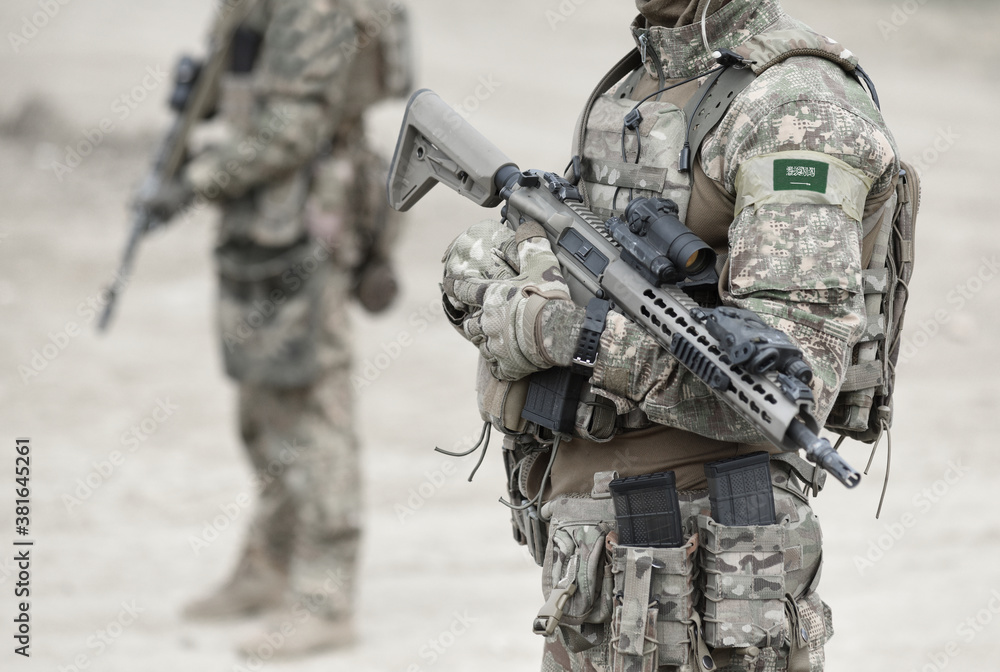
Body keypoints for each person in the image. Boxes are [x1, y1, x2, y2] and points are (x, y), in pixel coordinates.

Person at [440, 0, 900, 669]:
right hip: (593, 568)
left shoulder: (799, 107)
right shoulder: (642, 80)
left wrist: (567, 332)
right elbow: (560, 250)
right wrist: (499, 269)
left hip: (709, 578)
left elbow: (790, 383)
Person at [140, 0, 412, 657]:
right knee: (262, 402)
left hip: (306, 221)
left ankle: (325, 597)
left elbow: (294, 127)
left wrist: (199, 180)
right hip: (263, 218)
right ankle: (269, 565)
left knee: (313, 402)